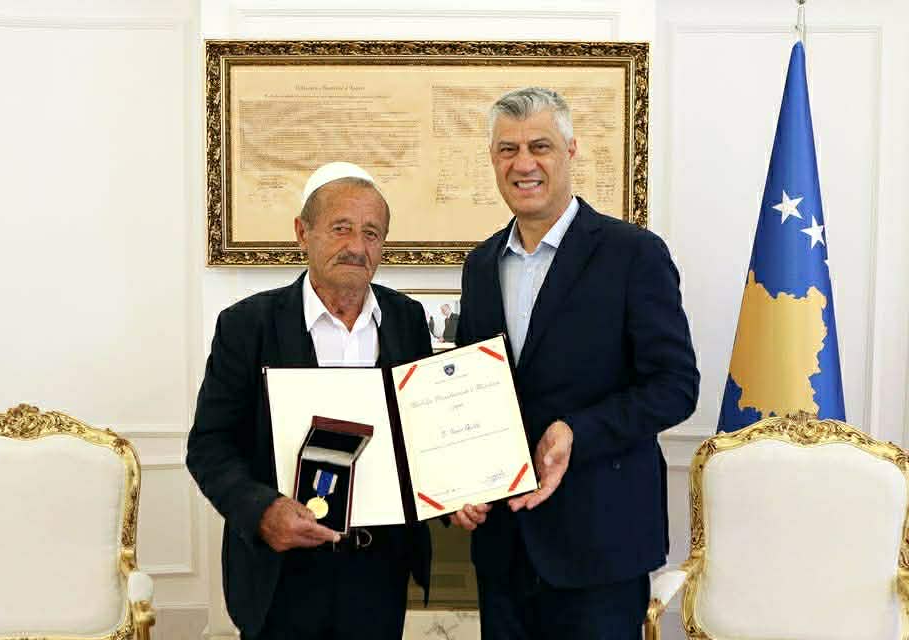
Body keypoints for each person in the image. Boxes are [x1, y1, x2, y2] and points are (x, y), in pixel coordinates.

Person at [451, 87, 699, 639]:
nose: (523, 164)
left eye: (539, 146)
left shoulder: (633, 254)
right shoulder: (480, 265)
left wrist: (576, 431)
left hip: (601, 547)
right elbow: (472, 391)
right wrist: (459, 482)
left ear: (570, 150)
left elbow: (676, 386)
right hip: (504, 548)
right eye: (508, 149)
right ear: (493, 159)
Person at [187, 162, 433, 640]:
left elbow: (424, 431)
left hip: (379, 571)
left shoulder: (406, 319)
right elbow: (209, 446)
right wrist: (262, 512)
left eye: (371, 233)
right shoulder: (247, 325)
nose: (357, 246)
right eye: (341, 228)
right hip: (282, 574)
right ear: (303, 232)